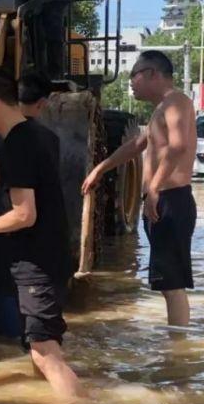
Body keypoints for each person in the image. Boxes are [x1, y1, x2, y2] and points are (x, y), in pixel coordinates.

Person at [0, 66, 79, 400]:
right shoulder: (41, 135)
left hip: (38, 261)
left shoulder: (17, 145)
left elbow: (25, 213)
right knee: (41, 348)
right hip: (49, 253)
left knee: (43, 351)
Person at [82, 51, 197, 327]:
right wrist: (101, 168)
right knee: (166, 283)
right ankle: (174, 348)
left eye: (134, 74)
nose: (131, 81)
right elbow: (136, 145)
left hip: (170, 199)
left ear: (153, 74)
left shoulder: (177, 102)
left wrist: (154, 189)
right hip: (163, 200)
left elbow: (178, 146)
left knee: (172, 284)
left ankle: (176, 357)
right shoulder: (162, 108)